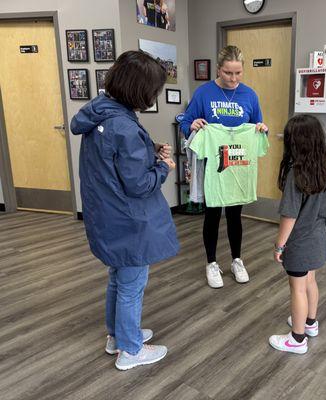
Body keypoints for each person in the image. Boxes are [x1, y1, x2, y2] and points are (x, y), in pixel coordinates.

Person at [70, 50, 179, 370]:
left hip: (107, 217)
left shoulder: (100, 113)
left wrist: (149, 148)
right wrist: (163, 167)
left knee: (118, 279)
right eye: (154, 91)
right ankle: (131, 351)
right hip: (128, 221)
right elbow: (139, 185)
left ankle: (118, 336)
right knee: (132, 285)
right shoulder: (124, 126)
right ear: (140, 90)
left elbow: (113, 163)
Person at [180, 45, 268, 289]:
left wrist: (262, 129)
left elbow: (258, 123)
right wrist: (193, 124)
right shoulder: (204, 93)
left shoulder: (250, 95)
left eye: (238, 73)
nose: (233, 78)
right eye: (228, 73)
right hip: (212, 165)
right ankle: (211, 262)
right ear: (219, 69)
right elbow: (185, 123)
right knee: (212, 216)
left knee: (234, 216)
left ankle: (237, 259)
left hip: (238, 165)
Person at [268, 115, 326, 354]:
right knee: (310, 282)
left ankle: (297, 339)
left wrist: (279, 245)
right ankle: (310, 323)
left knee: (297, 288)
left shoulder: (296, 174)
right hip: (318, 236)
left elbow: (289, 215)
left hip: (299, 242)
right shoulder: (323, 169)